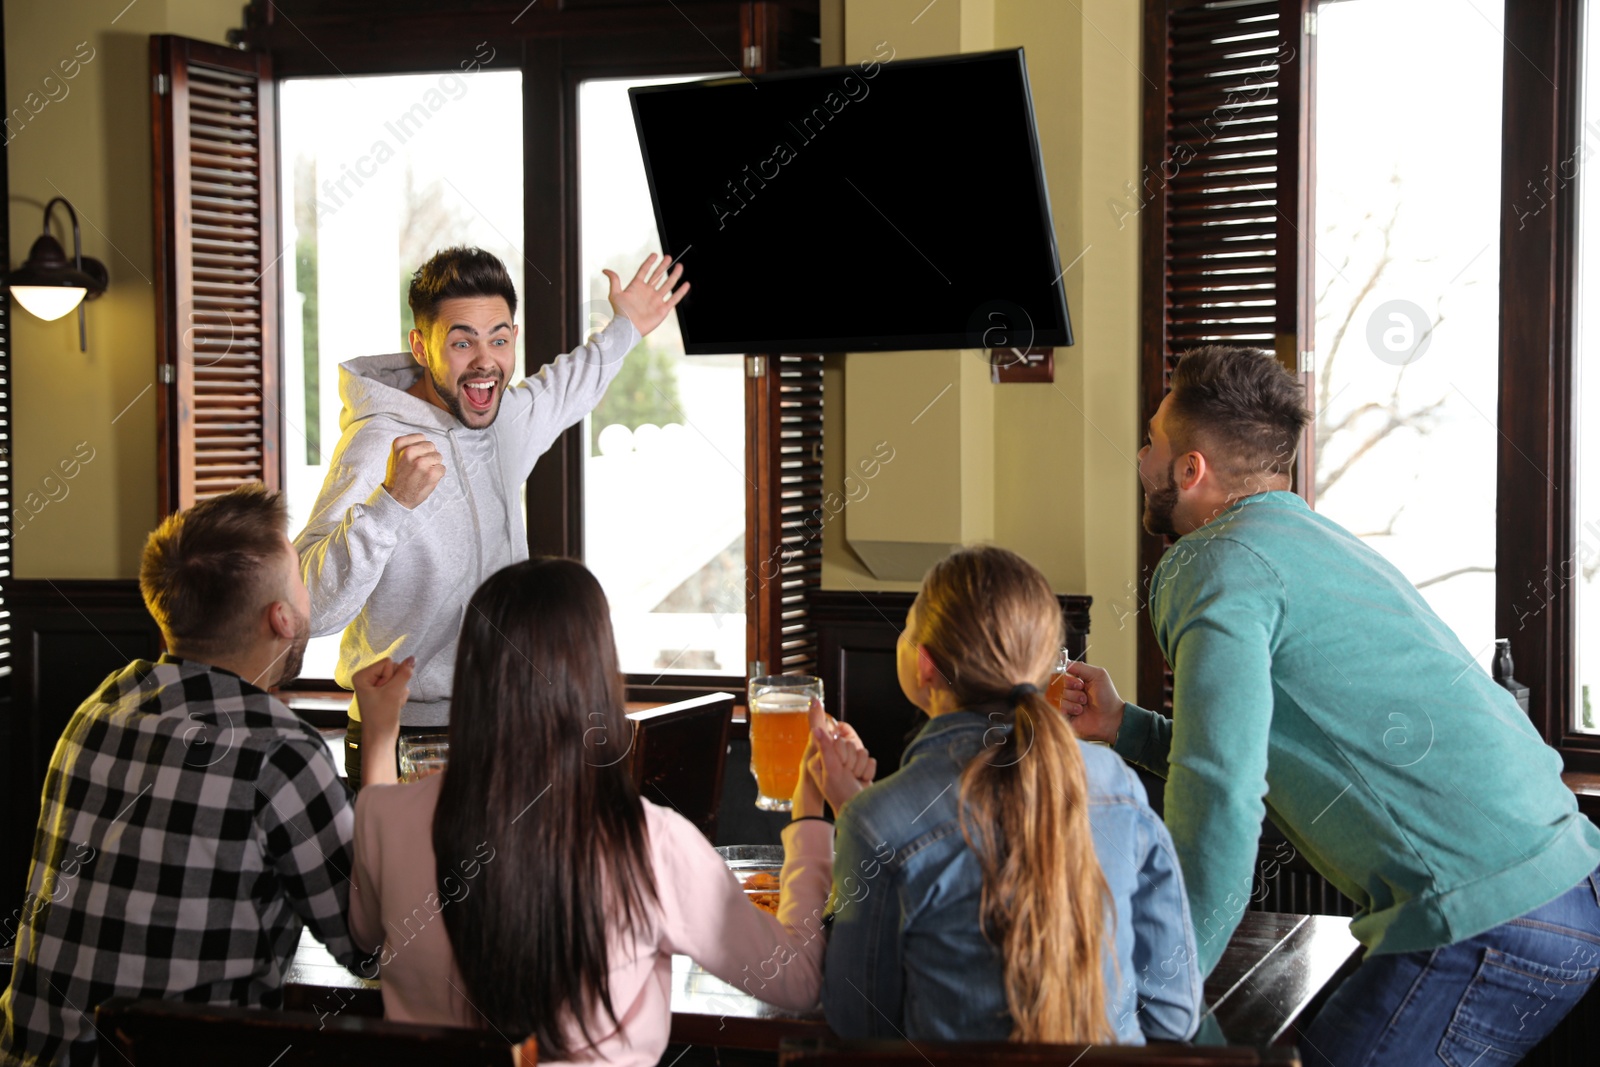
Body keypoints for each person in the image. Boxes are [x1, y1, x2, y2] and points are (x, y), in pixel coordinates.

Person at [1062, 344, 1600, 1066]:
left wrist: (1165, 990)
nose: (1138, 459)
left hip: (1488, 918)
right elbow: (1256, 746)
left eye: (1150, 442)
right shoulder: (1303, 538)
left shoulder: (1209, 564)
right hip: (1564, 887)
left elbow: (1220, 792)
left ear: (1190, 471)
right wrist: (1125, 726)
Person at [345, 557, 871, 1066]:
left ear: (473, 672)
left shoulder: (382, 817)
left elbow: (366, 936)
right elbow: (799, 980)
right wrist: (809, 814)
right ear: (595, 678)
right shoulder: (650, 842)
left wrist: (379, 736)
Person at [0, 485, 398, 1067]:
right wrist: (382, 737)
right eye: (300, 581)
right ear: (282, 618)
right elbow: (372, 943)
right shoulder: (279, 751)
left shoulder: (99, 708)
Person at [294, 246, 687, 788]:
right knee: (409, 878)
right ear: (421, 345)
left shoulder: (501, 422)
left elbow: (563, 389)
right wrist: (390, 504)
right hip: (407, 739)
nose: (485, 361)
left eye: (498, 339)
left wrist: (626, 327)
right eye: (462, 342)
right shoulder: (378, 443)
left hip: (508, 726)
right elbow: (307, 608)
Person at [822, 545, 1203, 1045]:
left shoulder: (876, 822)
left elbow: (860, 1029)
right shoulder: (1118, 786)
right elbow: (1174, 1016)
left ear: (925, 665)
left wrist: (846, 814)